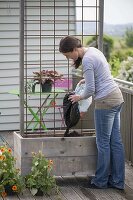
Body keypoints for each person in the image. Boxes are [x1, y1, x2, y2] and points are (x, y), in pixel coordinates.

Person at [59, 35, 125, 190]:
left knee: (102, 143)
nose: (70, 59)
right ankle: (118, 181)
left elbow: (91, 90)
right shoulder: (94, 51)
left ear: (74, 49)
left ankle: (100, 181)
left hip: (105, 101)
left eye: (69, 56)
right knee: (116, 142)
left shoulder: (87, 60)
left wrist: (78, 97)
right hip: (117, 97)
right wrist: (85, 80)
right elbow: (103, 73)